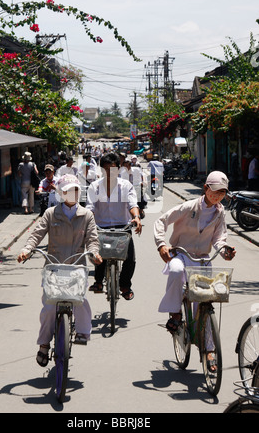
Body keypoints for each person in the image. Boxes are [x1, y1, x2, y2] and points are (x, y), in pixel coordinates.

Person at [17, 174, 103, 367]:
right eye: (69, 190)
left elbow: (92, 240)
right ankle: (44, 345)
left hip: (76, 269)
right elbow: (36, 235)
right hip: (54, 269)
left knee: (81, 300)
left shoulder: (87, 215)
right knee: (48, 309)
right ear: (62, 193)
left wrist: (94, 254)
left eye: (76, 190)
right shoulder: (50, 214)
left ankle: (82, 332)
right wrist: (26, 249)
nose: (73, 193)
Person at [154, 170, 236, 369]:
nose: (218, 196)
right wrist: (161, 244)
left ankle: (209, 350)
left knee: (205, 305)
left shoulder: (219, 212)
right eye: (215, 191)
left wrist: (224, 250)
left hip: (202, 260)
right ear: (206, 188)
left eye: (222, 193)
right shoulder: (189, 206)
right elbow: (161, 221)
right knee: (174, 271)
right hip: (181, 254)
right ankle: (175, 313)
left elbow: (219, 238)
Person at [86, 152, 142, 300]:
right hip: (101, 227)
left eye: (113, 169)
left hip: (122, 227)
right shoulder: (94, 186)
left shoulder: (126, 186)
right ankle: (98, 281)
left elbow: (132, 204)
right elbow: (90, 208)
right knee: (99, 255)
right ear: (102, 170)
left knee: (130, 259)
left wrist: (136, 217)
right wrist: (87, 222)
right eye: (106, 169)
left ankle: (124, 285)